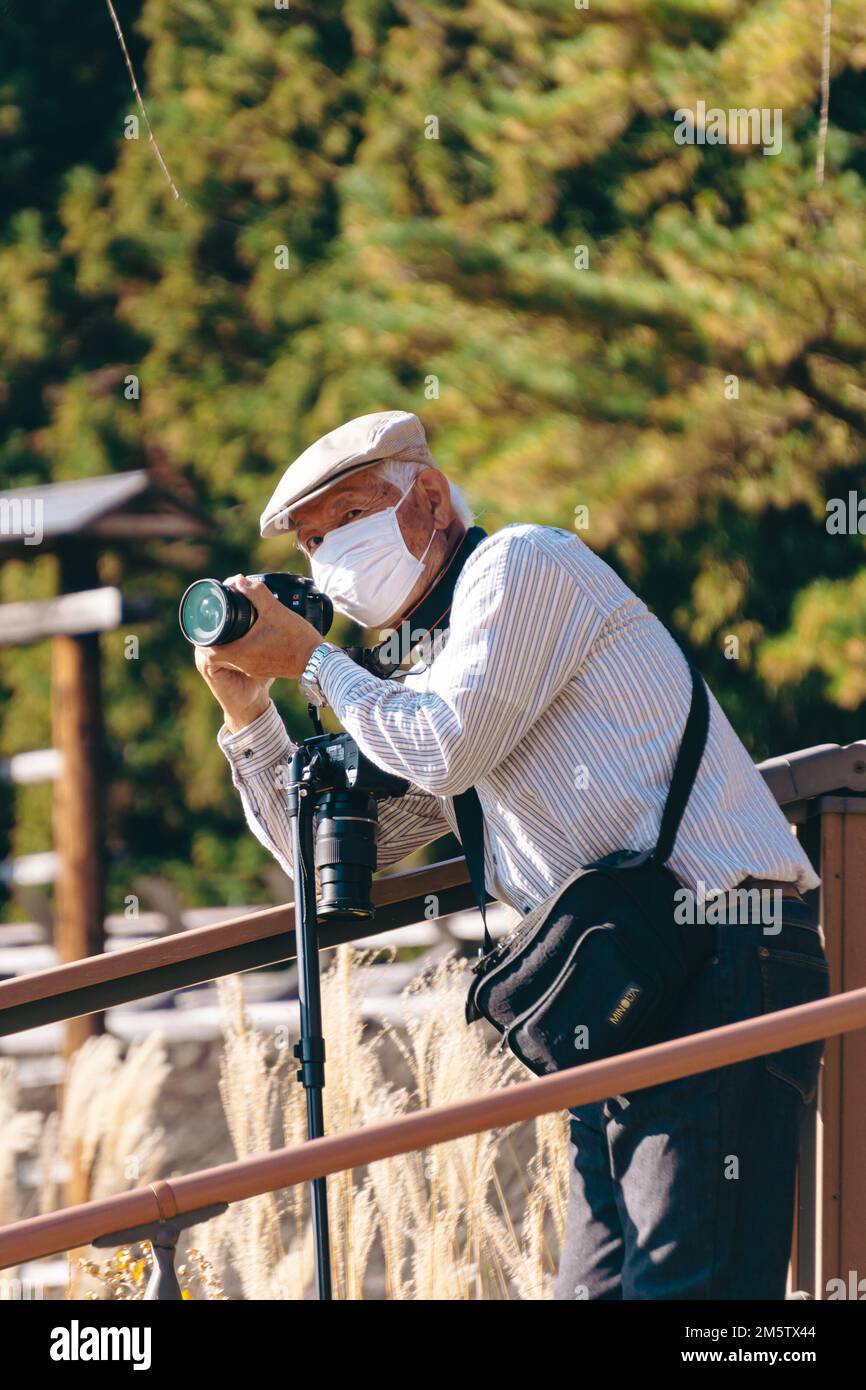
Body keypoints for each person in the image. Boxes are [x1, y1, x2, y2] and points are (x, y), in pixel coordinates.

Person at [194, 409, 828, 1299]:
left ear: (430, 499)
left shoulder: (525, 565)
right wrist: (249, 716)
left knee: (694, 1301)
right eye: (310, 543)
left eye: (346, 521)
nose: (328, 557)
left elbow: (448, 744)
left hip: (724, 948)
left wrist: (316, 666)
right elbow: (331, 853)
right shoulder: (419, 667)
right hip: (620, 984)